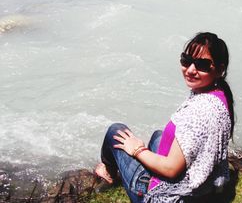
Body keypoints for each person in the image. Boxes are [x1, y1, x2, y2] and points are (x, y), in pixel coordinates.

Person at [95, 32, 234, 203]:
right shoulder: (220, 96)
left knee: (115, 131)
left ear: (220, 69)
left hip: (167, 197)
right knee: (157, 136)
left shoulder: (199, 111)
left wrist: (137, 150)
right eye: (186, 60)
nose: (190, 69)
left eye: (202, 64)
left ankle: (109, 173)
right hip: (203, 190)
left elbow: (171, 170)